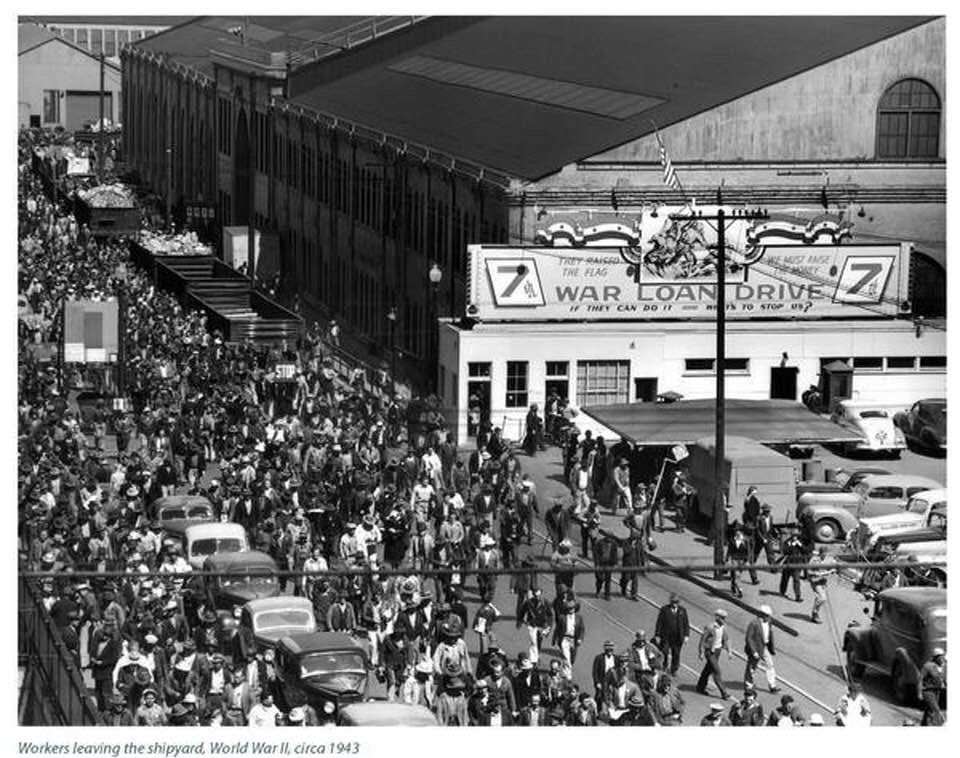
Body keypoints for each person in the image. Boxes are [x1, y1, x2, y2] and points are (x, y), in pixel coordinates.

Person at [696, 609, 731, 700]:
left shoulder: (723, 627)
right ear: (717, 617)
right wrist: (701, 652)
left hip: (718, 651)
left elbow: (726, 639)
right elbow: (702, 640)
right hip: (710, 651)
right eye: (722, 618)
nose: (724, 620)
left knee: (708, 670)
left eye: (724, 618)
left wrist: (729, 651)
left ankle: (700, 687)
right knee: (717, 671)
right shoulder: (710, 627)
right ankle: (724, 693)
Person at [744, 604, 779, 693]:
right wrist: (753, 651)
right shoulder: (754, 623)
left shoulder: (769, 622)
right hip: (756, 648)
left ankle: (772, 685)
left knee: (770, 664)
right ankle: (749, 685)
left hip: (764, 647)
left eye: (768, 616)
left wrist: (771, 647)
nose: (768, 617)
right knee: (752, 667)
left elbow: (770, 634)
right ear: (761, 614)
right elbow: (749, 638)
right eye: (767, 615)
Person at [654, 593, 690, 676]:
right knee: (665, 651)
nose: (674, 603)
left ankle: (674, 669)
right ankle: (664, 664)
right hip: (666, 636)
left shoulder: (682, 610)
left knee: (676, 654)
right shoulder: (664, 609)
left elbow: (686, 624)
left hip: (677, 637)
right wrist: (657, 635)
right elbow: (659, 622)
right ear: (670, 601)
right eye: (673, 602)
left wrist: (686, 636)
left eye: (676, 602)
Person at [918, 647, 946, 726]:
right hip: (928, 692)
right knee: (935, 710)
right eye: (941, 657)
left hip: (937, 692)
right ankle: (940, 725)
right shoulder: (927, 666)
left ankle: (923, 725)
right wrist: (919, 693)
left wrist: (943, 683)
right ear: (936, 657)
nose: (942, 659)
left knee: (928, 710)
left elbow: (940, 678)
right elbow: (920, 679)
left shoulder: (940, 666)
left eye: (943, 657)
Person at [807, 546, 834, 623]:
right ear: (820, 553)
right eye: (823, 554)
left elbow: (833, 566)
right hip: (815, 581)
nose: (824, 555)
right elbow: (808, 571)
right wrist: (816, 573)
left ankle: (815, 614)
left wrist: (833, 570)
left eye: (826, 554)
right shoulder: (814, 560)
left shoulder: (829, 559)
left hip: (823, 581)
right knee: (823, 598)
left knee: (819, 598)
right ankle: (814, 612)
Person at [778, 530, 806, 602]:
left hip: (797, 564)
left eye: (797, 536)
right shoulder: (787, 542)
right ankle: (782, 592)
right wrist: (792, 545)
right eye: (794, 536)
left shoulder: (801, 541)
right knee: (785, 578)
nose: (795, 537)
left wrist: (800, 545)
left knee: (796, 580)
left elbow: (805, 550)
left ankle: (798, 596)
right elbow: (785, 551)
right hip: (788, 563)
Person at [592, 641, 618, 707]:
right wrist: (597, 682)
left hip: (613, 682)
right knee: (600, 698)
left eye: (611, 649)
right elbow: (595, 671)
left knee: (613, 697)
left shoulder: (616, 658)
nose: (610, 651)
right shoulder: (599, 658)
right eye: (608, 649)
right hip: (602, 681)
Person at [593, 532, 618, 601]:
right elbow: (596, 554)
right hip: (601, 564)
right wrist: (597, 564)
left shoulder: (614, 544)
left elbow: (615, 554)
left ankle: (607, 595)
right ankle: (598, 591)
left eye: (611, 538)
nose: (609, 539)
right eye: (608, 537)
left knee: (608, 580)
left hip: (609, 564)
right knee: (600, 579)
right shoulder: (600, 543)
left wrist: (614, 563)